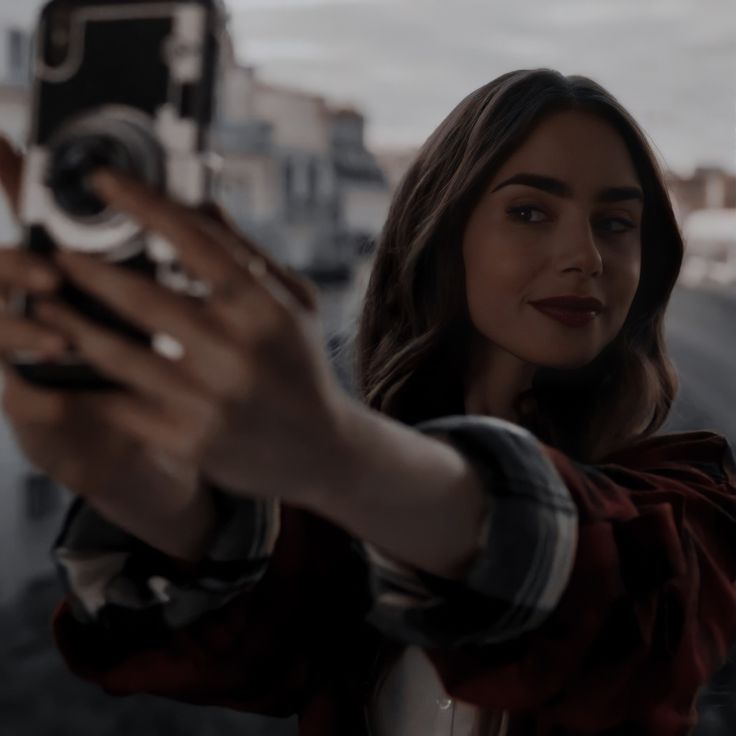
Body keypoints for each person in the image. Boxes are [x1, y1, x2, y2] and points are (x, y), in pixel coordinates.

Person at [0, 68, 735, 736]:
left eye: (616, 223)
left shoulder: (691, 501)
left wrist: (335, 452)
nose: (588, 256)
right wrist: (123, 470)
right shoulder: (350, 517)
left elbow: (617, 609)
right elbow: (244, 638)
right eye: (531, 213)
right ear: (442, 234)